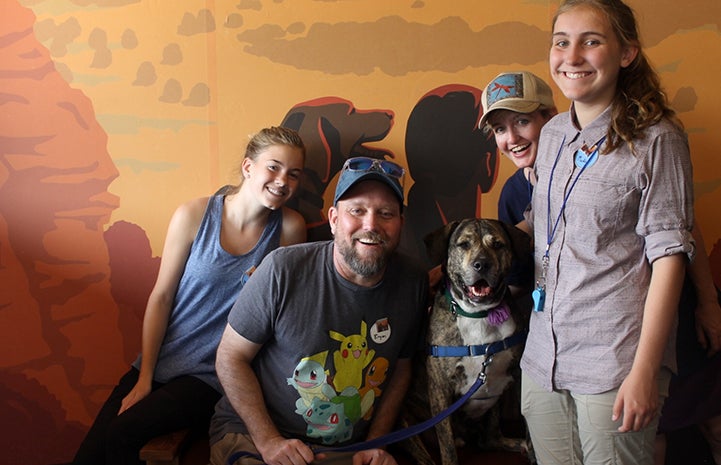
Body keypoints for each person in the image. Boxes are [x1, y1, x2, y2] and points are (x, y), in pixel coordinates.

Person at [517, 1, 695, 464]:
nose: (571, 56)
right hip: (542, 358)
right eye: (561, 42)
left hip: (614, 362)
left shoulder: (658, 139)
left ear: (626, 53)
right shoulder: (553, 133)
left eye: (591, 41)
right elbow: (545, 226)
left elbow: (670, 258)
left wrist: (644, 372)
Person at [72, 126, 307, 465]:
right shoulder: (194, 215)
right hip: (160, 361)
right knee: (89, 455)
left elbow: (282, 314)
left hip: (212, 378)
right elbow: (162, 297)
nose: (283, 180)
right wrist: (145, 378)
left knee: (122, 433)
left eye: (293, 174)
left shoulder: (289, 228)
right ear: (248, 167)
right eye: (274, 167)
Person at [208, 156, 429, 465]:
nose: (371, 225)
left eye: (386, 213)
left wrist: (376, 444)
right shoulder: (282, 268)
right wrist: (269, 441)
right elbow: (230, 357)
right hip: (255, 437)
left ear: (400, 224)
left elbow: (400, 369)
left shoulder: (413, 280)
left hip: (345, 450)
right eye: (357, 210)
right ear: (334, 219)